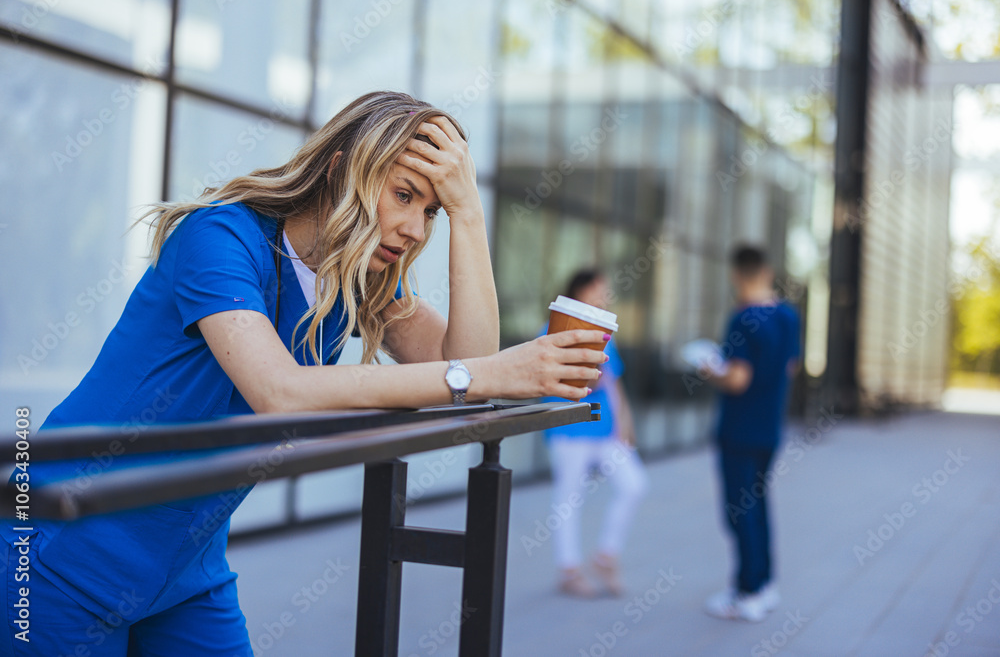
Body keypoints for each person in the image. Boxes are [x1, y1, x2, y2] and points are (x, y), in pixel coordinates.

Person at [0, 91, 610, 656]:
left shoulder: (360, 279)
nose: (415, 229)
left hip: (187, 566)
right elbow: (279, 392)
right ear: (340, 170)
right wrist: (488, 375)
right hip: (62, 550)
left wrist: (470, 214)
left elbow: (469, 371)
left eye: (433, 211)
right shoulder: (219, 236)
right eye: (403, 195)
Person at [702, 244, 801, 622]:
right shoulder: (789, 317)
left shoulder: (742, 319)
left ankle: (747, 592)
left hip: (739, 431)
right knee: (757, 506)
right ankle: (764, 583)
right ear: (768, 271)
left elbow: (738, 379)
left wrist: (712, 370)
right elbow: (789, 367)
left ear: (736, 274)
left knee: (738, 512)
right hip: (769, 429)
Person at [541, 269, 648, 598]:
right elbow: (559, 378)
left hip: (604, 430)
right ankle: (569, 569)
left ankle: (606, 556)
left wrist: (624, 425)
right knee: (568, 498)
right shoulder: (552, 331)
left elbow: (613, 383)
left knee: (634, 485)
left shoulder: (604, 333)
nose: (605, 296)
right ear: (581, 291)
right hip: (569, 428)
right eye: (600, 290)